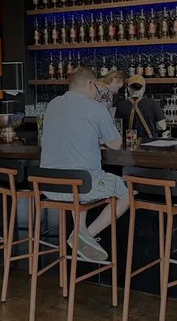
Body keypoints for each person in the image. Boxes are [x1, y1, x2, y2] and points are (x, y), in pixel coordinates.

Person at [39, 67, 129, 262]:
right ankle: (84, 235)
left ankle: (80, 231)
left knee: (79, 181)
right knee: (126, 192)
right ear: (91, 84)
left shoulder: (53, 104)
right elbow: (115, 144)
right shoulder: (96, 108)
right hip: (82, 185)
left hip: (48, 186)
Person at [116, 75, 167, 142]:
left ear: (128, 89)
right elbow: (162, 126)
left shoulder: (121, 105)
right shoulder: (152, 103)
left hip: (130, 143)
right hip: (149, 143)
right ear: (144, 88)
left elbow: (117, 127)